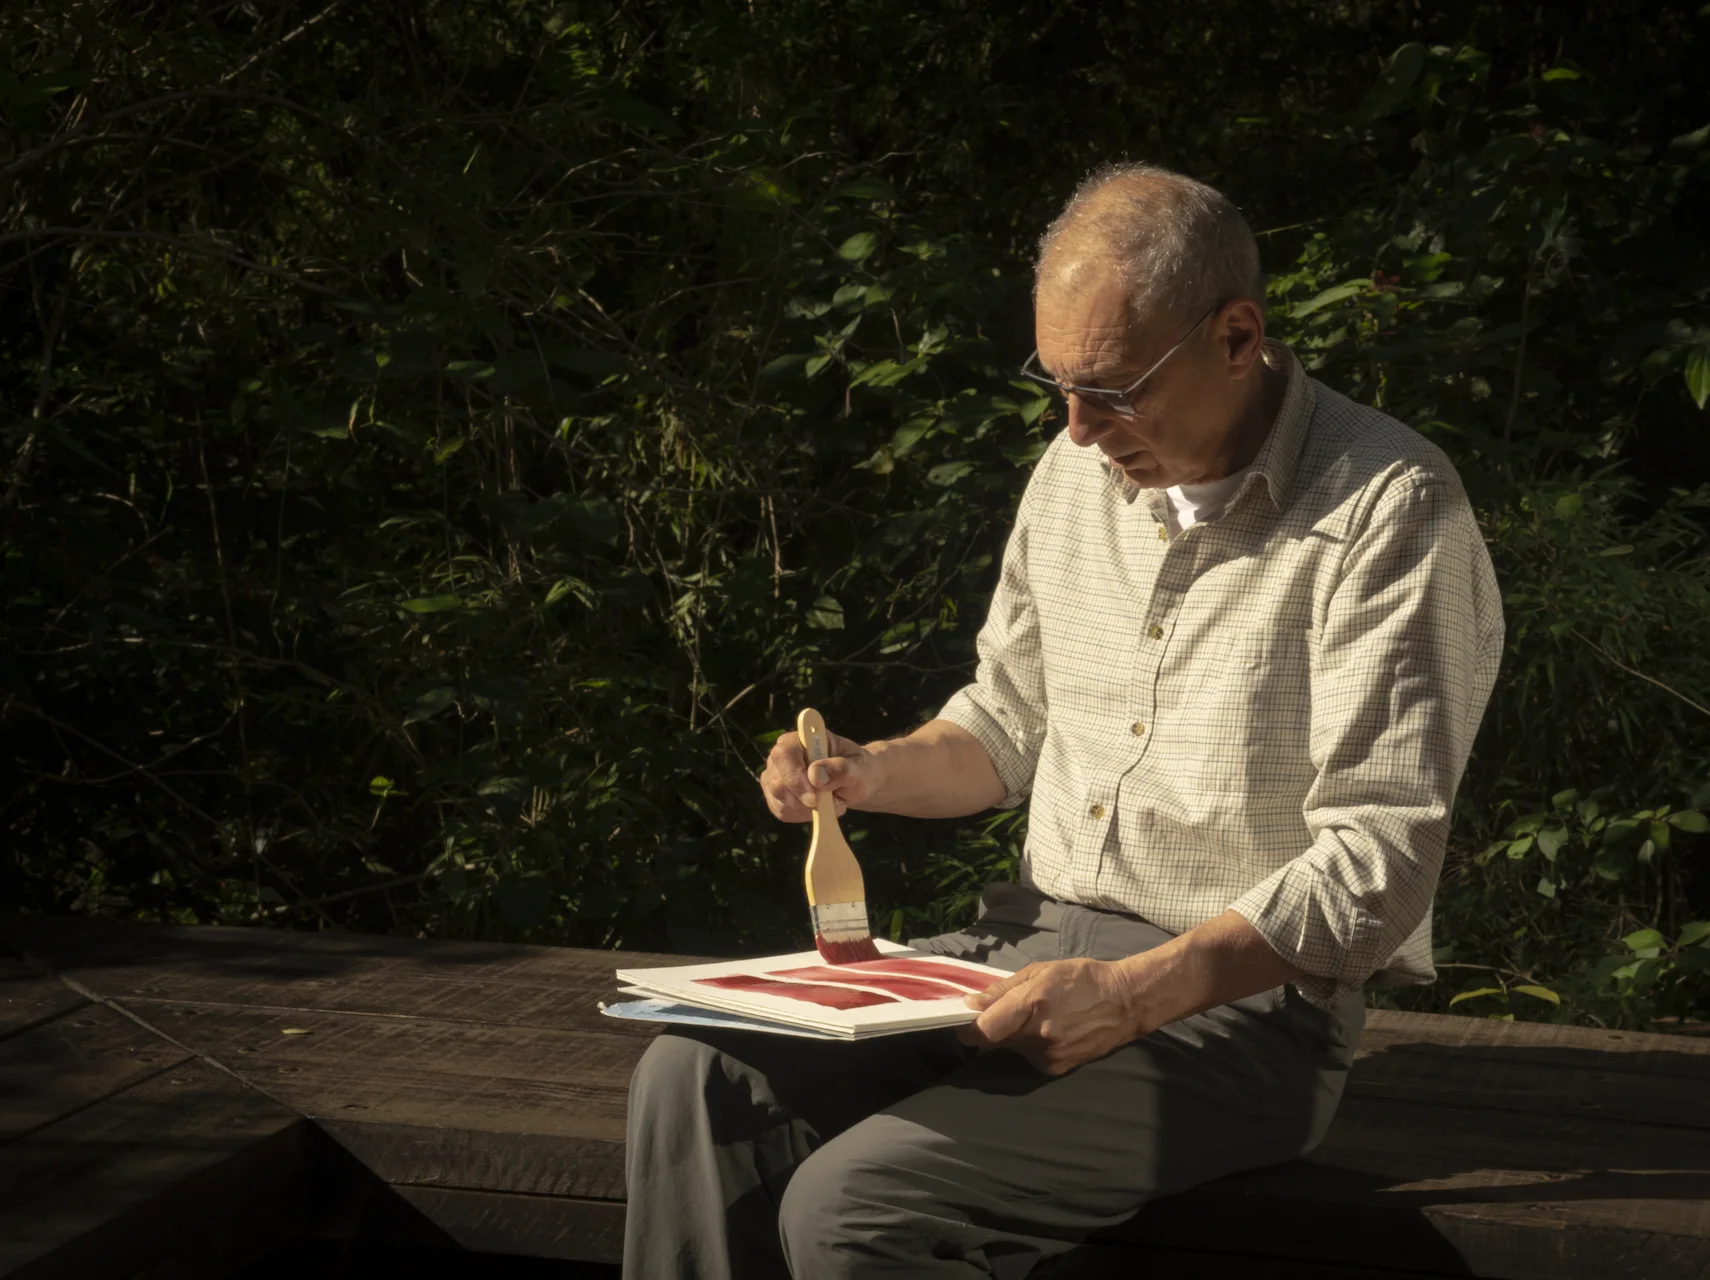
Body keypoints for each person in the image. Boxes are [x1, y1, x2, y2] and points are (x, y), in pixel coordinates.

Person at [623, 162, 1504, 1279]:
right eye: (1059, 384)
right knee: (697, 1080)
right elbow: (1005, 722)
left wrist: (1133, 993)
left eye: (1115, 389)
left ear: (1238, 337)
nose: (1078, 429)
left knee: (856, 1207)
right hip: (1021, 954)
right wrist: (864, 770)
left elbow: (1382, 859)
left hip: (1244, 1019)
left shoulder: (1389, 503)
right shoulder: (1073, 475)